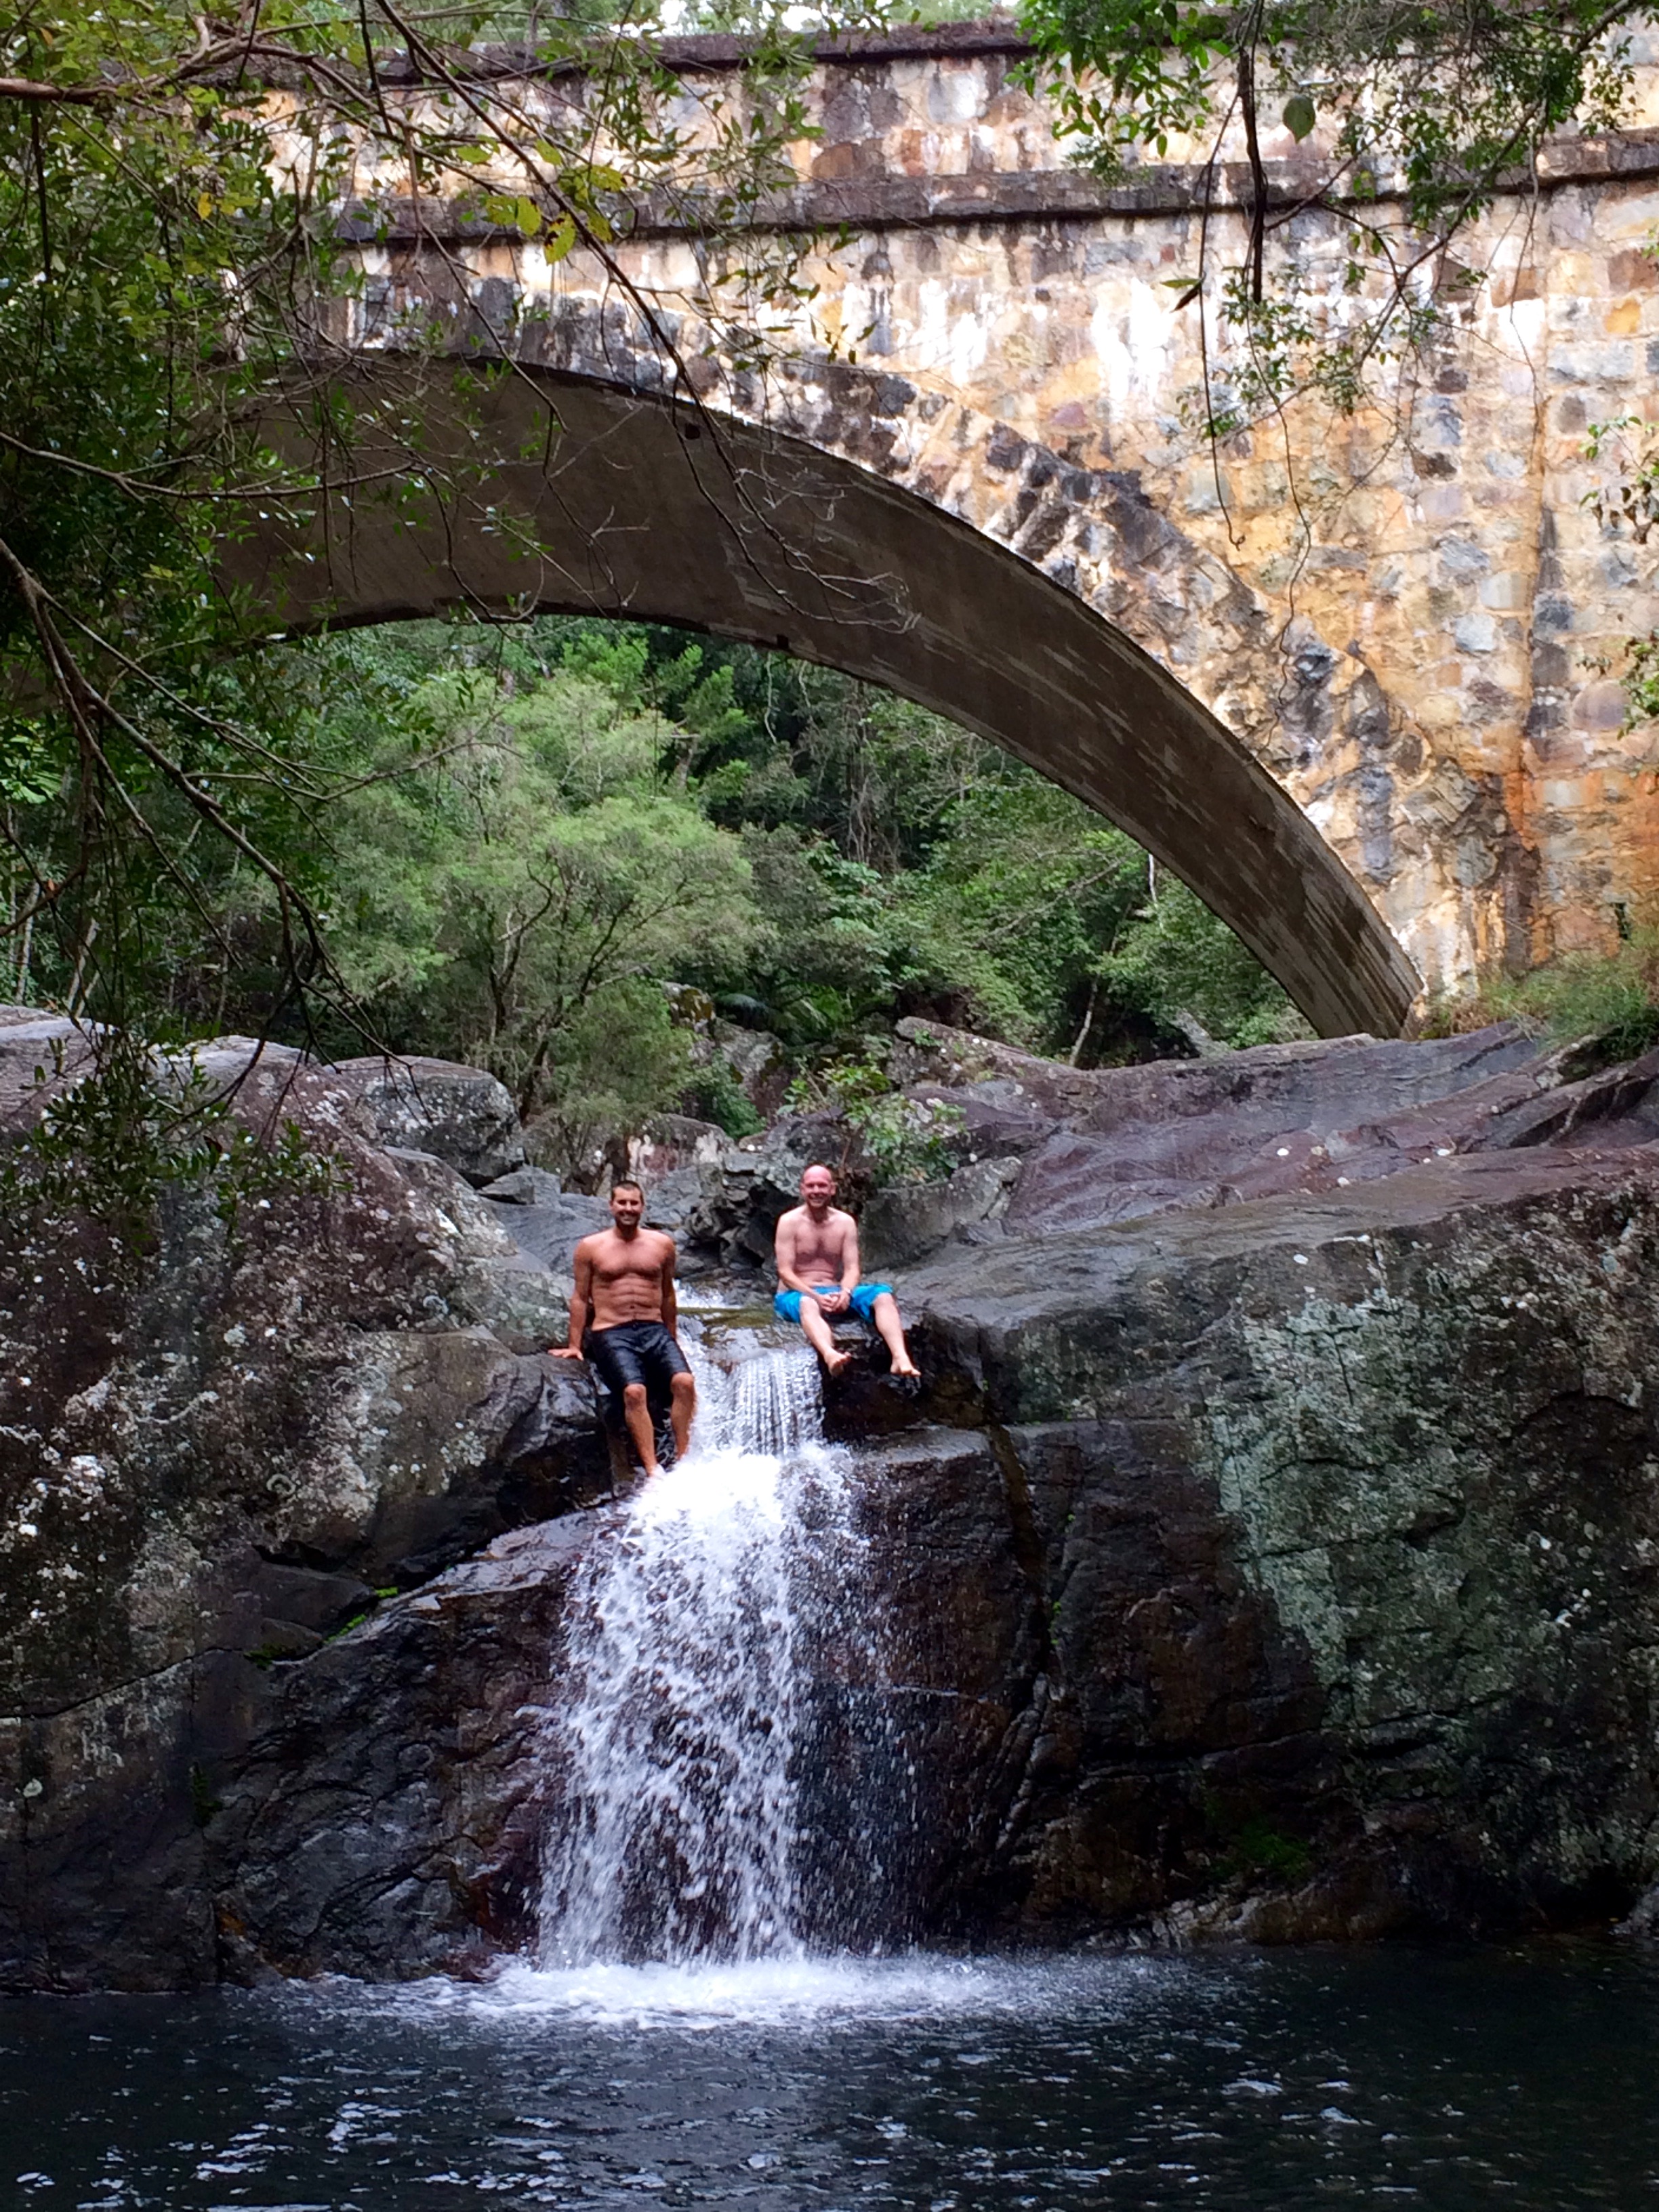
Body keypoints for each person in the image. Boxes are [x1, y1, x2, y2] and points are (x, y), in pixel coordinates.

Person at [550, 1179, 695, 1476]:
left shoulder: (662, 1244)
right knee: (634, 1391)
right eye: (622, 1203)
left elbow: (668, 1294)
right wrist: (575, 1346)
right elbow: (580, 1298)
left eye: (634, 1203)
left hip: (654, 1328)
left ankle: (684, 1457)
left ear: (642, 1206)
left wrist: (672, 1337)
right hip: (612, 1330)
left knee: (684, 1383)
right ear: (611, 1206)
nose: (628, 1209)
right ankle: (653, 1468)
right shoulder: (591, 1247)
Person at [773, 1162, 920, 1382]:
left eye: (822, 1186)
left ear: (832, 1189)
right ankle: (830, 1354)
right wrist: (816, 1297)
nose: (816, 1191)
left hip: (834, 1290)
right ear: (802, 1189)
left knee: (883, 1295)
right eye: (811, 1186)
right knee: (808, 1304)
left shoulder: (845, 1223)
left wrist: (846, 1293)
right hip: (797, 1295)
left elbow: (852, 1268)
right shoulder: (789, 1222)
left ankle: (900, 1357)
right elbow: (785, 1272)